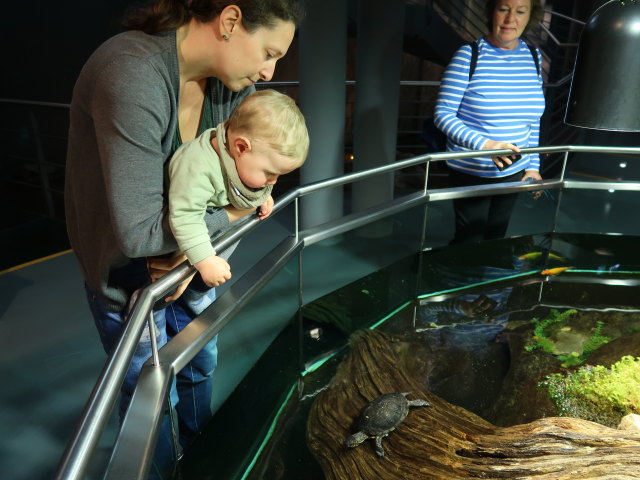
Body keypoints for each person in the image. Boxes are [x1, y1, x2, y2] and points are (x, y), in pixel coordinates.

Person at [64, 0, 303, 477]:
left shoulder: (228, 90)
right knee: (147, 400)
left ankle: (202, 459)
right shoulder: (129, 71)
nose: (269, 71)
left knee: (199, 364)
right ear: (231, 22)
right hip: (129, 280)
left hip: (189, 262)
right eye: (268, 52)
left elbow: (234, 190)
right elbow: (138, 234)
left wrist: (190, 259)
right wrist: (235, 211)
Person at [168, 88, 309, 287]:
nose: (273, 181)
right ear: (241, 147)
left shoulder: (232, 156)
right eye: (269, 173)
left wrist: (260, 196)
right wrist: (205, 261)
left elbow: (238, 183)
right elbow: (185, 217)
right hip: (181, 257)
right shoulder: (197, 167)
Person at [434, 0, 545, 244]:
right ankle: (458, 279)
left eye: (520, 11)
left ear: (530, 17)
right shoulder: (469, 55)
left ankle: (490, 282)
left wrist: (532, 165)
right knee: (469, 239)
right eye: (503, 9)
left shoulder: (533, 57)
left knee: (497, 238)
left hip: (514, 169)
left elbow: (532, 120)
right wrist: (486, 145)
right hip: (471, 170)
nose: (510, 19)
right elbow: (443, 114)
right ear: (491, 13)